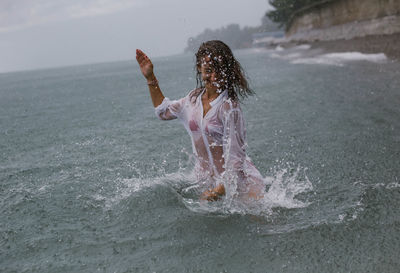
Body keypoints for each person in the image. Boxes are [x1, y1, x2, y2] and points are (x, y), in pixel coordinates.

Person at [135, 40, 265, 201]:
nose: (214, 76)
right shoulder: (192, 100)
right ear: (199, 69)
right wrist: (150, 77)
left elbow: (236, 162)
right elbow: (163, 112)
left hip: (241, 185)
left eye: (219, 70)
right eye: (209, 71)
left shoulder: (229, 107)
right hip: (207, 184)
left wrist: (216, 192)